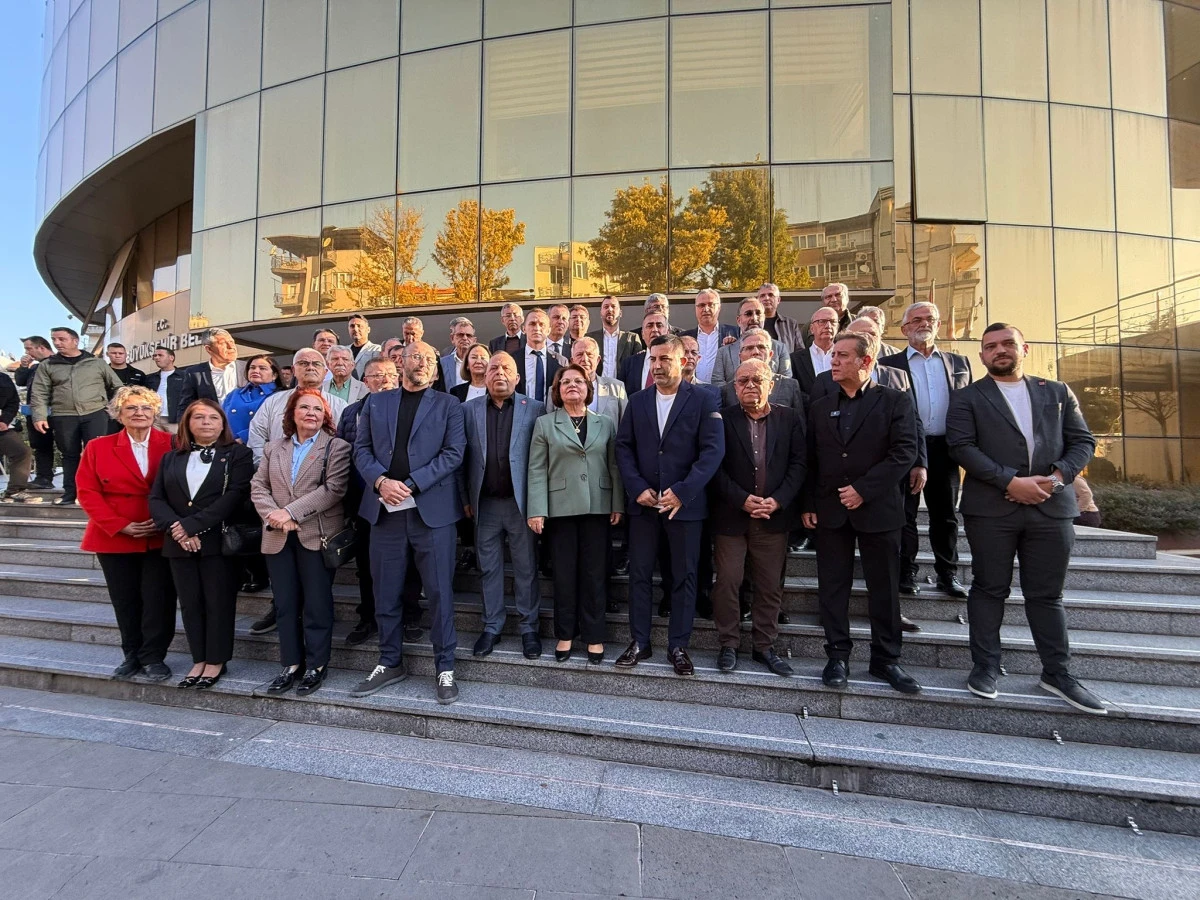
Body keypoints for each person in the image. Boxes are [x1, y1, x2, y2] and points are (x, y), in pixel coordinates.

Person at [947, 323, 1104, 714]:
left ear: (1024, 348)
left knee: (1047, 595)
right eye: (991, 346)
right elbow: (961, 447)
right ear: (982, 355)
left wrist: (1055, 479)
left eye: (1007, 344)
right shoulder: (967, 397)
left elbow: (1083, 442)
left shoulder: (1057, 392)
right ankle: (985, 666)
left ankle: (1057, 673)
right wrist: (1010, 481)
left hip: (1051, 508)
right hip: (992, 509)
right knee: (988, 588)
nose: (999, 350)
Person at [802, 331, 921, 695]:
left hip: (879, 510)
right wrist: (808, 503)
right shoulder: (820, 406)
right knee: (832, 588)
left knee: (884, 588)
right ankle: (837, 656)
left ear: (865, 361)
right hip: (831, 512)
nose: (833, 361)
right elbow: (811, 458)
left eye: (842, 355)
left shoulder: (895, 401)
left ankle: (886, 659)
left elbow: (904, 452)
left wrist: (863, 490)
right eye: (833, 355)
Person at [351, 341, 466, 704]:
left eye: (430, 359)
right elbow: (360, 450)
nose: (423, 363)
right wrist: (381, 481)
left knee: (439, 593)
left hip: (432, 513)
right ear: (401, 362)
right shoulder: (376, 402)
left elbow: (453, 453)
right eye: (417, 356)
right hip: (384, 513)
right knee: (385, 591)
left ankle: (444, 666)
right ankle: (389, 661)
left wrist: (412, 483)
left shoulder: (449, 404)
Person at [614, 336, 724, 676]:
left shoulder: (703, 400)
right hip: (644, 506)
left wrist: (683, 492)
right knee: (640, 575)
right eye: (653, 359)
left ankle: (678, 645)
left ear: (683, 362)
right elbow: (623, 447)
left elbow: (713, 451)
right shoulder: (637, 401)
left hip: (684, 507)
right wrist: (637, 488)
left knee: (684, 577)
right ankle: (640, 641)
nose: (657, 365)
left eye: (664, 359)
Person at [710, 360, 806, 676]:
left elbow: (799, 464)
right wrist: (741, 499)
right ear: (734, 387)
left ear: (771, 384)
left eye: (757, 379)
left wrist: (777, 501)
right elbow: (714, 467)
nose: (749, 385)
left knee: (768, 585)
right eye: (742, 381)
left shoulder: (789, 418)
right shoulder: (722, 419)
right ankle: (728, 643)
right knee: (728, 581)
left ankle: (764, 645)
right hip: (732, 517)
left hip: (772, 517)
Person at [149, 399, 254, 689]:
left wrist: (192, 526)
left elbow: (234, 496)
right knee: (190, 604)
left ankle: (216, 660)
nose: (206, 422)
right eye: (199, 417)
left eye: (213, 417)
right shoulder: (171, 457)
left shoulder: (238, 454)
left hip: (218, 542)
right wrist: (178, 529)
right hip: (179, 543)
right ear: (187, 423)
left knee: (218, 603)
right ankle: (199, 658)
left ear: (222, 424)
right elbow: (156, 498)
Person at [252, 389, 350, 697]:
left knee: (317, 605)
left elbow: (333, 489)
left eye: (317, 409)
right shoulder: (273, 447)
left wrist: (291, 512)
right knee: (285, 605)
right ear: (292, 413)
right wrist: (276, 517)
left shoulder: (336, 446)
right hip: (278, 535)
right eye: (304, 407)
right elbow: (258, 486)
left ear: (325, 416)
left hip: (316, 535)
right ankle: (291, 664)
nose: (311, 413)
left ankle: (316, 665)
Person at [76, 385, 176, 681]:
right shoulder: (98, 447)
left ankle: (154, 656)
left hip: (159, 534)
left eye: (146, 407)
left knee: (159, 599)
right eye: (131, 408)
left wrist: (165, 520)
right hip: (115, 536)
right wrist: (120, 525)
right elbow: (87, 491)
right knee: (125, 600)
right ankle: (132, 655)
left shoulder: (173, 443)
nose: (139, 413)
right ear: (118, 415)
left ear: (155, 413)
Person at [528, 364, 623, 664]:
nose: (572, 385)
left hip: (598, 507)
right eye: (565, 381)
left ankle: (594, 636)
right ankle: (565, 634)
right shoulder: (545, 424)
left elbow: (614, 466)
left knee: (595, 574)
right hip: (560, 509)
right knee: (564, 575)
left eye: (578, 381)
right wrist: (537, 509)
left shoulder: (605, 423)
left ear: (588, 388)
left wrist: (617, 503)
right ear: (557, 390)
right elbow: (536, 469)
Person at [880, 302, 973, 600]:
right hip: (906, 447)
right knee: (905, 513)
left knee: (945, 514)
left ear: (939, 324)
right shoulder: (889, 365)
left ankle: (947, 573)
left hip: (945, 449)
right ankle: (906, 571)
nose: (924, 324)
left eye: (930, 318)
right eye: (917, 319)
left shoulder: (959, 363)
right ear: (904, 328)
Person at [459, 352, 544, 659]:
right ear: (484, 376)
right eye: (493, 367)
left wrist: (539, 505)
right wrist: (465, 500)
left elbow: (542, 460)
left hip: (521, 505)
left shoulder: (535, 408)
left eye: (506, 368)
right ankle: (492, 626)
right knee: (489, 568)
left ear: (517, 378)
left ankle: (529, 628)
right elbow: (461, 459)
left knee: (526, 568)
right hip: (485, 505)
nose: (499, 373)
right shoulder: (468, 410)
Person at [337, 357, 423, 645]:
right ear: (365, 382)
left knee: (409, 561)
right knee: (367, 564)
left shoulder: (409, 407)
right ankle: (368, 617)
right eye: (376, 375)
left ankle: (410, 615)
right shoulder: (352, 412)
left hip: (404, 496)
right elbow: (344, 454)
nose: (384, 379)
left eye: (389, 374)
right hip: (365, 499)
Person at [30, 326, 123, 505]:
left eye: (62, 339)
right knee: (69, 455)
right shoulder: (48, 365)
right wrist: (39, 416)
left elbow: (117, 387)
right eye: (54, 339)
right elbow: (39, 392)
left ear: (75, 341)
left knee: (97, 454)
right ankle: (70, 493)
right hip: (63, 415)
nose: (57, 343)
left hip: (95, 413)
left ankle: (99, 493)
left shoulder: (96, 363)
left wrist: (113, 409)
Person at [247, 348, 349, 466]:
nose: (310, 367)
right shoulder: (273, 401)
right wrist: (268, 467)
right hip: (274, 470)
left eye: (316, 364)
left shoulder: (340, 405)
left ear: (325, 372)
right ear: (293, 370)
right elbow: (256, 436)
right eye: (303, 363)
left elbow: (345, 445)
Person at [710, 298, 792, 387]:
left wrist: (764, 393)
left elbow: (786, 381)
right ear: (739, 320)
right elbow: (717, 382)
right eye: (748, 314)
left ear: (764, 318)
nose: (754, 318)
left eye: (758, 313)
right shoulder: (724, 352)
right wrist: (742, 393)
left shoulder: (780, 348)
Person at [546, 337, 628, 424]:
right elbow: (549, 425)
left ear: (598, 360)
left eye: (589, 355)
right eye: (579, 354)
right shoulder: (557, 389)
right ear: (572, 361)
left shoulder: (616, 388)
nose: (584, 359)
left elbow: (626, 423)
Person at [718, 328, 804, 409]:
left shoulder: (790, 386)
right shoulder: (727, 391)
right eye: (749, 348)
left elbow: (799, 419)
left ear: (770, 354)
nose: (755, 352)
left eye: (761, 347)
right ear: (740, 356)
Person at [14, 336, 56, 490]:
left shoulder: (59, 363)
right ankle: (44, 477)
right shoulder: (35, 367)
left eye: (29, 348)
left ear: (41, 348)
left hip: (59, 410)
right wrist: (23, 366)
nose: (27, 353)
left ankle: (73, 480)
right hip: (36, 412)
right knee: (40, 445)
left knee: (67, 446)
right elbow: (20, 381)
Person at [178, 328, 246, 409]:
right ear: (209, 349)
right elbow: (186, 406)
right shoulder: (195, 373)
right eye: (222, 343)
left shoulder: (248, 368)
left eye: (231, 341)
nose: (231, 346)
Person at [682, 289, 739, 384]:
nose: (706, 309)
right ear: (696, 309)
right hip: (692, 390)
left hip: (723, 390)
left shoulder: (735, 333)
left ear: (719, 308)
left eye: (711, 305)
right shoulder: (683, 338)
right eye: (701, 305)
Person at [223, 355, 282, 444]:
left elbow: (273, 424)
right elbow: (220, 419)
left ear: (274, 375)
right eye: (252, 368)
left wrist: (242, 439)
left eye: (262, 368)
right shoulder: (235, 394)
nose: (255, 371)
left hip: (258, 446)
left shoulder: (280, 396)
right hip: (226, 446)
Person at [587, 295, 644, 379]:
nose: (609, 309)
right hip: (596, 385)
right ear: (600, 313)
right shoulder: (590, 338)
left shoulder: (632, 339)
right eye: (606, 307)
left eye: (613, 306)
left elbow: (637, 367)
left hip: (623, 385)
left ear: (620, 313)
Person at [0, 371, 35, 503]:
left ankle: (15, 490)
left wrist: (5, 420)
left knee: (21, 452)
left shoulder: (3, 378)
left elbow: (13, 402)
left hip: (2, 427)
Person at [617, 313, 670, 396]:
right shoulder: (629, 364)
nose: (654, 329)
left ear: (667, 332)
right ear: (642, 334)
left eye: (659, 325)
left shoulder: (676, 362)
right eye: (650, 326)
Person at [515, 308, 559, 404]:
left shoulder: (560, 361)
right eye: (532, 324)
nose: (537, 328)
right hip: (520, 410)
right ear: (524, 329)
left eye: (542, 324)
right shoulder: (513, 359)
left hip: (550, 412)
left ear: (549, 330)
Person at [756, 282, 804, 353]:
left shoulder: (791, 324)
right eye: (762, 296)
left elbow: (800, 352)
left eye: (771, 295)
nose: (766, 298)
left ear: (778, 300)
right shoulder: (752, 323)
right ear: (757, 300)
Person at [143, 347, 184, 427]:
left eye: (160, 355)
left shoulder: (185, 376)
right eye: (155, 356)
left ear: (171, 358)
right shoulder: (150, 378)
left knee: (176, 436)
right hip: (154, 418)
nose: (156, 358)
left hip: (175, 420)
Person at [440, 317, 476, 389]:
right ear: (452, 338)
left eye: (469, 335)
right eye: (460, 335)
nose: (465, 338)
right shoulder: (442, 363)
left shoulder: (482, 362)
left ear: (474, 340)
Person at [348, 314, 382, 379]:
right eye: (352, 326)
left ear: (368, 330)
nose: (355, 329)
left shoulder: (376, 349)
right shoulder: (345, 350)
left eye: (359, 326)